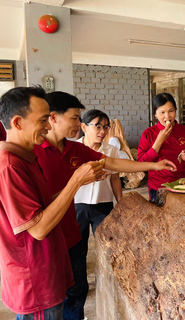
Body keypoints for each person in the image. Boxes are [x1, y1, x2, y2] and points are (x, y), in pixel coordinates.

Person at [33, 91, 177, 320]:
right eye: (74, 118)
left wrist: (153, 165)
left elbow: (111, 163)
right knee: (50, 299)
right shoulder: (33, 153)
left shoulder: (74, 150)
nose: (78, 123)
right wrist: (77, 181)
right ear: (53, 118)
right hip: (45, 241)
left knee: (77, 288)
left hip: (69, 232)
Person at [0, 87, 105, 319]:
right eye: (43, 120)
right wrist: (76, 180)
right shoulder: (10, 167)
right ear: (17, 123)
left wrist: (76, 183)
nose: (48, 126)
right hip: (34, 283)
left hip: (48, 272)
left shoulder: (26, 158)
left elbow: (45, 204)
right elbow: (37, 228)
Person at [74, 109, 122, 266]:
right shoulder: (73, 149)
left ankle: (106, 284)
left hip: (103, 205)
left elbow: (115, 178)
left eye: (106, 127)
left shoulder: (111, 150)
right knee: (77, 248)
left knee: (106, 246)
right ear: (84, 127)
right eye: (98, 126)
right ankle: (79, 287)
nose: (103, 131)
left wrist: (120, 202)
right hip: (77, 205)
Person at [138, 93, 185, 201]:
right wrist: (158, 142)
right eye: (162, 112)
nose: (167, 116)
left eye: (171, 111)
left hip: (184, 186)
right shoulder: (148, 133)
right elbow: (141, 163)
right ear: (155, 114)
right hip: (158, 186)